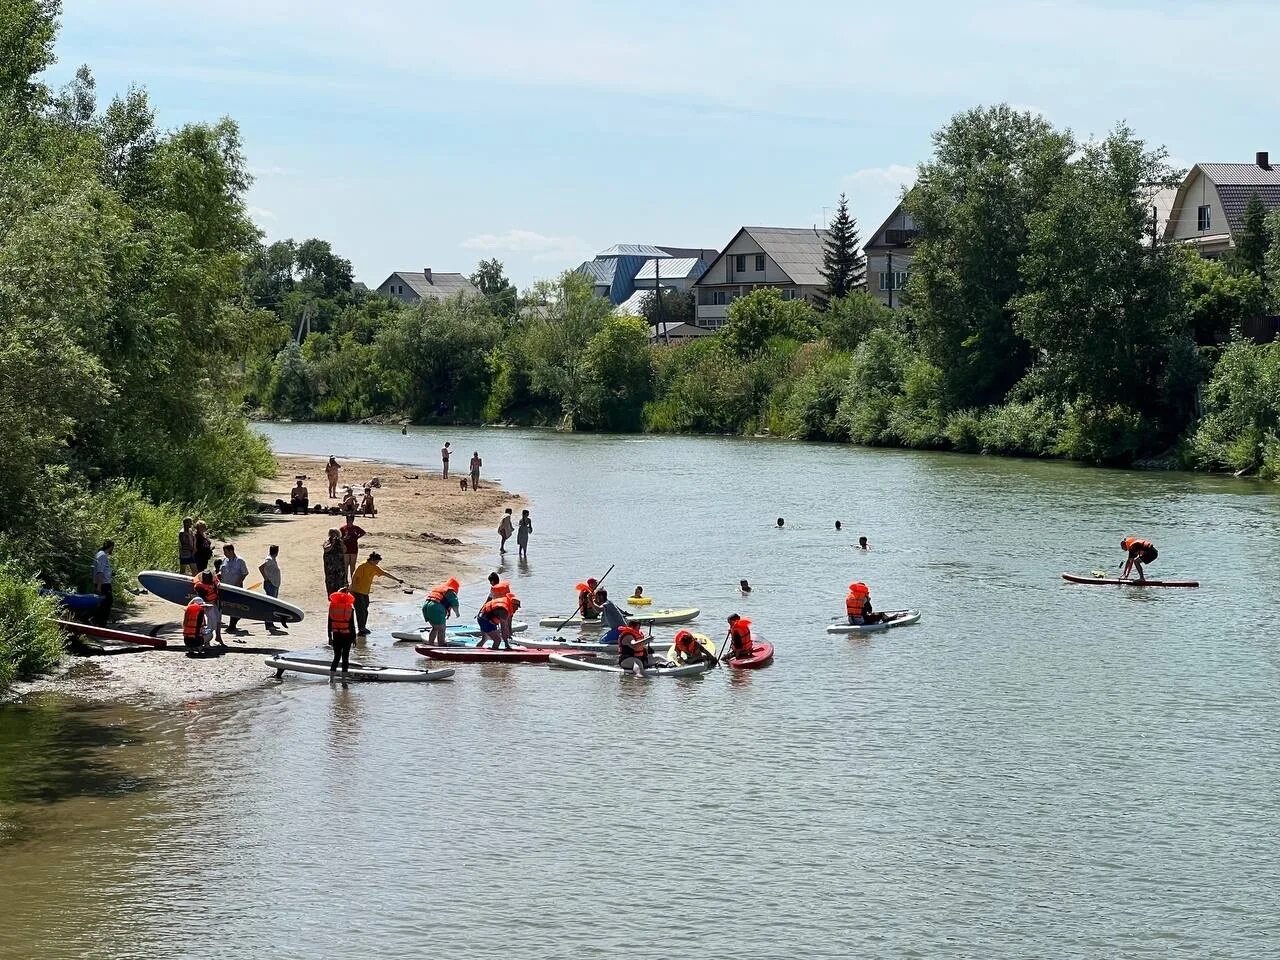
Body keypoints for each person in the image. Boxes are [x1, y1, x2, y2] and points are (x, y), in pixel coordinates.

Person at [350, 551, 404, 636]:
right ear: (371, 559)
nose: (377, 563)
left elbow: (385, 573)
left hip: (365, 592)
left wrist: (397, 579)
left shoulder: (374, 567)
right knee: (360, 611)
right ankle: (361, 629)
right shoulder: (362, 566)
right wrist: (352, 590)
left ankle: (363, 627)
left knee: (365, 610)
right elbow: (354, 578)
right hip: (357, 591)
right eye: (376, 561)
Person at [421, 576, 461, 645]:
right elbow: (455, 603)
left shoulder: (441, 588)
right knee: (442, 628)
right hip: (435, 607)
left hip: (426, 606)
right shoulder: (450, 591)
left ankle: (431, 644)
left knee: (435, 628)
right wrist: (457, 613)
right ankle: (441, 644)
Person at [328, 587, 357, 676]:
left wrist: (329, 637)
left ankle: (331, 678)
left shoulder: (332, 608)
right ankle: (344, 680)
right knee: (345, 657)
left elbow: (329, 623)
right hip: (347, 635)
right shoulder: (350, 608)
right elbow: (351, 625)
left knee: (336, 657)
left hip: (336, 635)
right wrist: (354, 638)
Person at [220, 544, 249, 632]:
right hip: (225, 587)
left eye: (225, 551)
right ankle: (232, 624)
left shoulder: (240, 561)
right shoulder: (225, 560)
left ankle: (232, 625)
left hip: (236, 588)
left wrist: (238, 583)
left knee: (235, 607)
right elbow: (221, 572)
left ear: (231, 551)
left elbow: (245, 573)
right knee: (227, 606)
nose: (224, 553)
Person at [192, 569, 223, 645]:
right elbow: (202, 597)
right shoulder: (199, 586)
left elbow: (217, 583)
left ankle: (217, 636)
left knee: (217, 620)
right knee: (209, 623)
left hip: (214, 604)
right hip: (205, 606)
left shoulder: (214, 583)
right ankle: (206, 640)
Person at [91, 539, 114, 626]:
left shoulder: (99, 554)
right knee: (107, 602)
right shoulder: (102, 556)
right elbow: (99, 572)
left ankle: (99, 622)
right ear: (111, 547)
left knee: (103, 603)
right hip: (103, 584)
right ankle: (101, 623)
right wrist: (99, 587)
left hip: (101, 583)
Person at [322, 529, 348, 594]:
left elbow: (345, 550)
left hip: (339, 565)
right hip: (330, 566)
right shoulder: (327, 541)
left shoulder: (340, 541)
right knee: (330, 581)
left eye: (335, 533)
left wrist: (341, 543)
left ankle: (340, 594)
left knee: (340, 580)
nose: (333, 535)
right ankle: (331, 595)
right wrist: (332, 543)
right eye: (332, 533)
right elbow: (326, 549)